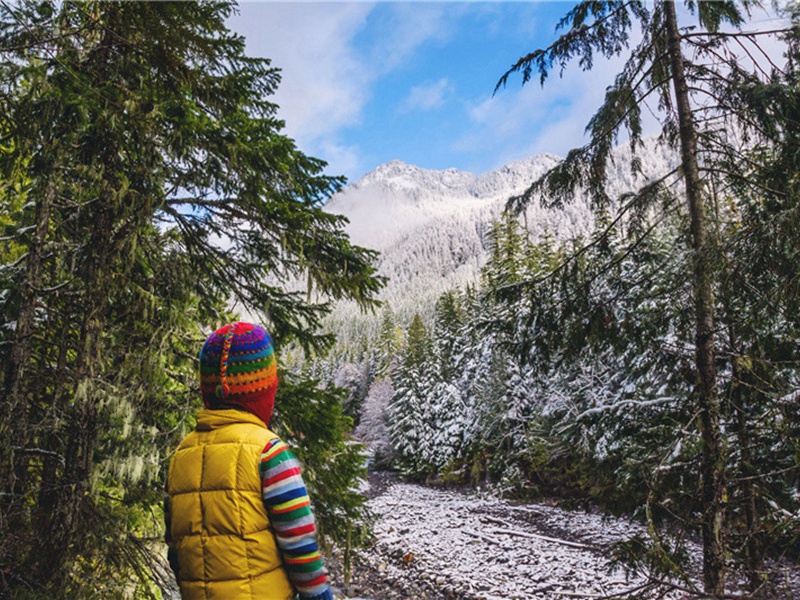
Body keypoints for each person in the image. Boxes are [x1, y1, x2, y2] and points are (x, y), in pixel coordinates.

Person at [164, 321, 333, 600]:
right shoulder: (269, 453)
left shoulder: (180, 455)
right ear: (265, 392)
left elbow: (175, 550)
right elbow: (299, 545)